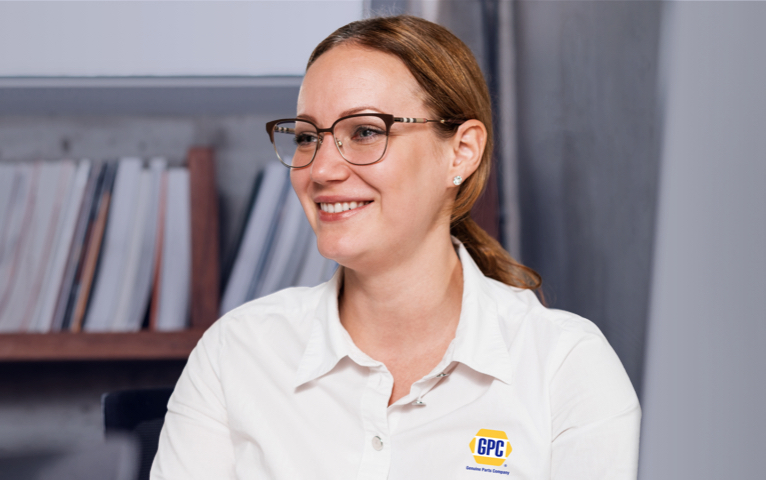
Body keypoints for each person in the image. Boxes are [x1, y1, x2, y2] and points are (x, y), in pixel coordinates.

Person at [151, 15, 640, 479]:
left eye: (364, 132)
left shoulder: (564, 365)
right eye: (306, 137)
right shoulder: (237, 353)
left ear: (461, 151)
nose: (320, 170)